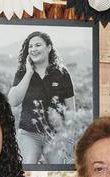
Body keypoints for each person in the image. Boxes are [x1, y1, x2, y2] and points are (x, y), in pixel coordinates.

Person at [7, 31, 75, 165]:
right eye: (30, 46)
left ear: (49, 47)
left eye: (38, 45)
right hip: (28, 134)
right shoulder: (22, 72)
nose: (33, 49)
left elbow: (71, 109)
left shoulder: (62, 73)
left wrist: (68, 139)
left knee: (58, 169)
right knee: (28, 167)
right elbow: (13, 101)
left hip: (56, 135)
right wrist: (29, 73)